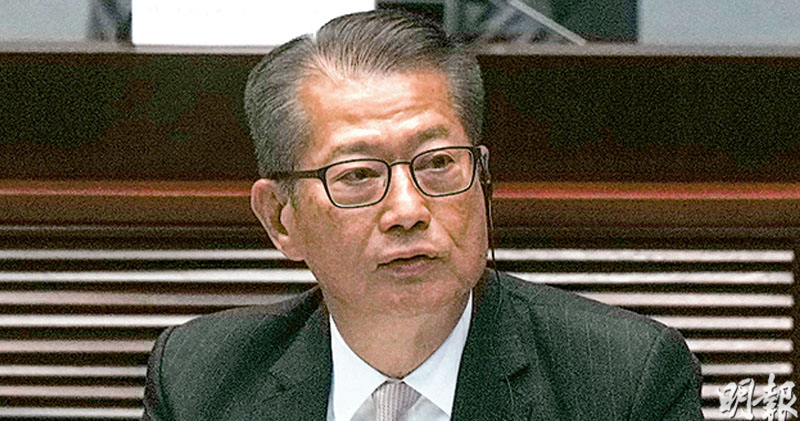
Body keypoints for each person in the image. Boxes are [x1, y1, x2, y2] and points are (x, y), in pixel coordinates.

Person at [142, 10, 703, 421]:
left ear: (482, 178)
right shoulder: (200, 383)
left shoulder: (624, 382)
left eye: (437, 164)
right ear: (281, 219)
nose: (407, 210)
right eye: (358, 175)